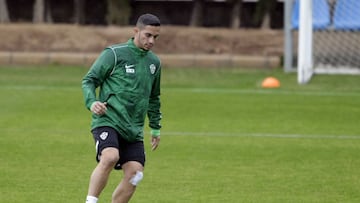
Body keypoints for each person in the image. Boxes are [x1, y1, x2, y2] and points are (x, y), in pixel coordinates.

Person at [81, 13, 162, 203]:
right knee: (110, 156)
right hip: (108, 119)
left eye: (155, 37)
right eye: (148, 35)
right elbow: (89, 80)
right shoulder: (114, 54)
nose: (151, 41)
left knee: (136, 174)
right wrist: (92, 102)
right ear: (136, 31)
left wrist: (156, 127)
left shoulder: (154, 63)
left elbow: (154, 97)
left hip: (133, 127)